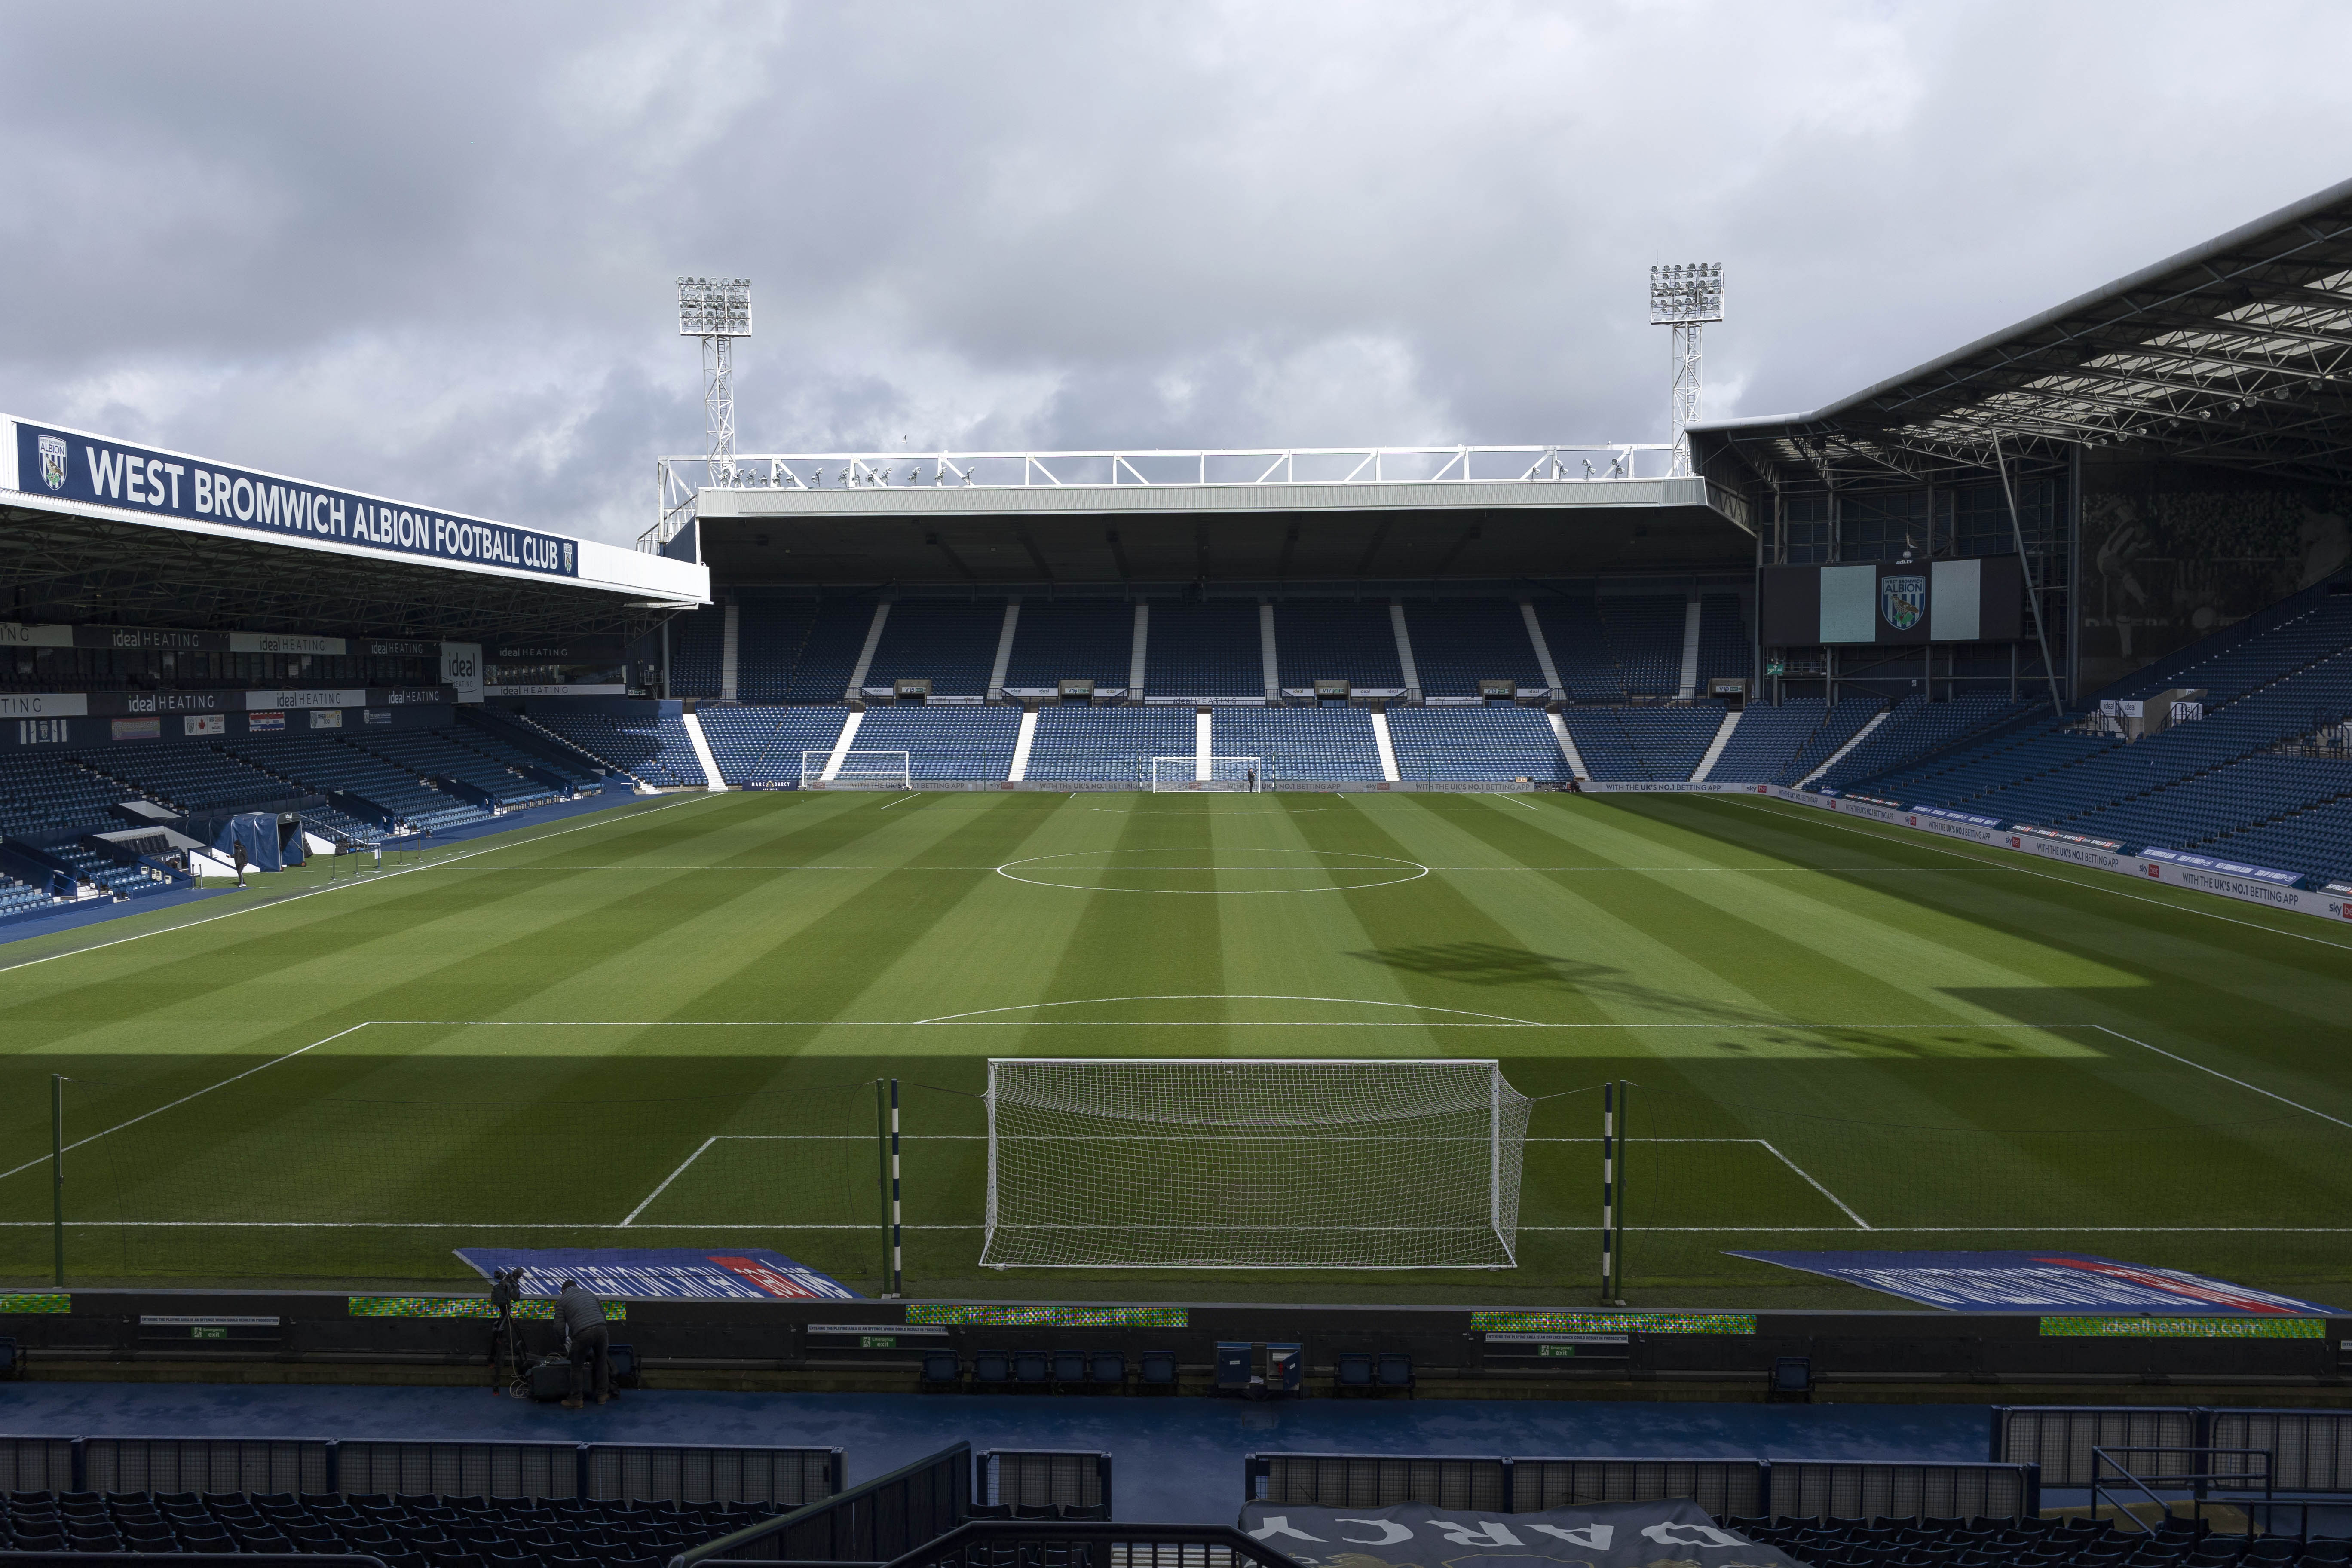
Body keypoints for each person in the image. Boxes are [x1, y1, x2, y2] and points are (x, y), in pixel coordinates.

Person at [554, 1278, 612, 1409]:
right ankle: (603, 1396)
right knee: (601, 1361)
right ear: (577, 1287)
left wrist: (563, 1341)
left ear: (563, 1291)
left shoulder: (562, 1301)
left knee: (577, 1366)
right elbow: (603, 1314)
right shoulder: (590, 1293)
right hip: (602, 1329)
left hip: (582, 1333)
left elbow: (558, 1327)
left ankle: (576, 1399)